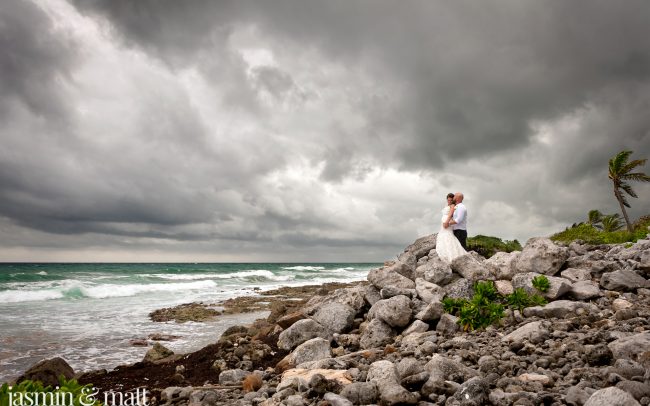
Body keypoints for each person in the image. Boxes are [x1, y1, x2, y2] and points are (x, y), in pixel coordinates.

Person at [436, 193, 467, 263]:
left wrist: (447, 222)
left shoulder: (454, 206)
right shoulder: (448, 205)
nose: (449, 201)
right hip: (445, 224)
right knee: (443, 236)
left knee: (448, 236)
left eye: (451, 200)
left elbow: (450, 215)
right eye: (448, 200)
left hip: (448, 223)